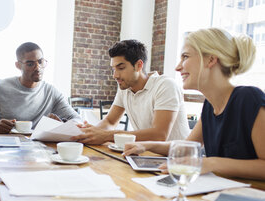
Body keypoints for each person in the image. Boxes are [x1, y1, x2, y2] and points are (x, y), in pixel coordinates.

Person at [123, 28, 265, 180]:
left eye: (185, 57)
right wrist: (146, 145)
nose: (178, 67)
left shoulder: (249, 99)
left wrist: (210, 163)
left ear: (211, 60)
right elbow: (186, 147)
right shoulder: (210, 106)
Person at [72, 40, 190, 144]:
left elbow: (159, 135)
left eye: (121, 68)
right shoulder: (125, 88)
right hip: (147, 155)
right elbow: (110, 121)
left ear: (139, 65)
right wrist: (90, 134)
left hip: (177, 160)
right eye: (113, 69)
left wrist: (106, 136)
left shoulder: (166, 86)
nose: (115, 75)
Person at [0, 42, 81, 133]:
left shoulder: (50, 92)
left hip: (39, 150)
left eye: (40, 61)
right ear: (18, 65)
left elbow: (78, 120)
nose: (38, 67)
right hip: (6, 148)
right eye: (30, 64)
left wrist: (63, 124)